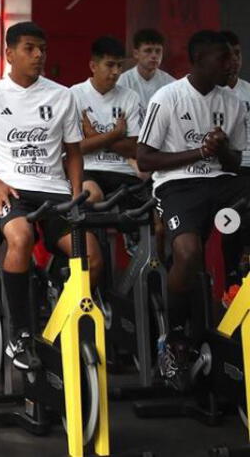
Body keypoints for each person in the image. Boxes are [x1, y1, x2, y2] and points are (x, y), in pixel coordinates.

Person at [0, 22, 103, 370]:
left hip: (54, 193)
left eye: (42, 48)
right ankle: (20, 334)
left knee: (94, 257)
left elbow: (73, 153)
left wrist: (74, 199)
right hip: (13, 191)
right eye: (29, 48)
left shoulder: (62, 95)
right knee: (20, 237)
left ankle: (59, 317)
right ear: (9, 53)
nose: (38, 55)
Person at [137, 30, 250, 392]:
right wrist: (199, 153)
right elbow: (145, 159)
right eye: (223, 58)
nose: (231, 64)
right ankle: (174, 338)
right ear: (199, 59)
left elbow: (236, 163)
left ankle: (235, 292)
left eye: (232, 57)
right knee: (187, 253)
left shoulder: (233, 103)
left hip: (220, 181)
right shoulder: (167, 98)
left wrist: (220, 150)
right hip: (177, 185)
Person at [70, 36, 143, 204]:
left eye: (120, 65)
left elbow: (133, 149)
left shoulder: (130, 97)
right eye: (110, 65)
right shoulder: (74, 95)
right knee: (92, 196)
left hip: (123, 172)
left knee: (151, 216)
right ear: (93, 66)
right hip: (87, 170)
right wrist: (115, 134)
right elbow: (76, 148)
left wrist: (94, 135)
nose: (116, 71)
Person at [220, 30, 250, 293]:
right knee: (232, 222)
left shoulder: (248, 92)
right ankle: (231, 285)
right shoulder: (212, 95)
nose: (235, 60)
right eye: (229, 55)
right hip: (224, 172)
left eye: (238, 54)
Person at [117, 28, 175, 109]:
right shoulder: (122, 82)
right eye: (148, 50)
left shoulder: (171, 84)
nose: (154, 56)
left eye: (158, 51)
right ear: (136, 54)